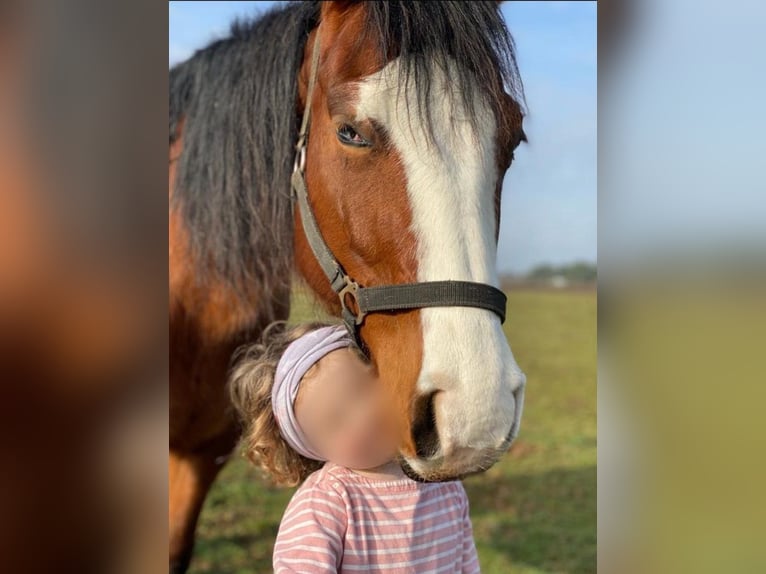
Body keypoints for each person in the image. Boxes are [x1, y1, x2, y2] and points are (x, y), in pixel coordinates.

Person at [228, 321, 481, 573]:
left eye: (361, 388)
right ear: (315, 450)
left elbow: (466, 563)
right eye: (335, 421)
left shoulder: (443, 481)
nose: (362, 418)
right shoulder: (326, 502)